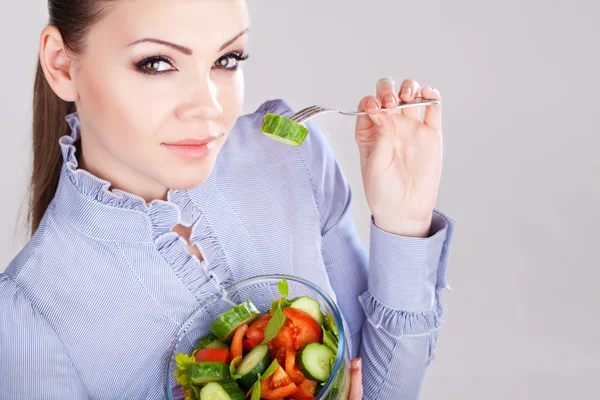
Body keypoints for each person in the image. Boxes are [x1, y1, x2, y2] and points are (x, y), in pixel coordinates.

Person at [0, 0, 456, 399]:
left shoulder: (289, 155)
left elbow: (373, 388)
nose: (209, 106)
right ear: (61, 64)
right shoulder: (30, 315)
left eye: (227, 58)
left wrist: (403, 222)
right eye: (157, 63)